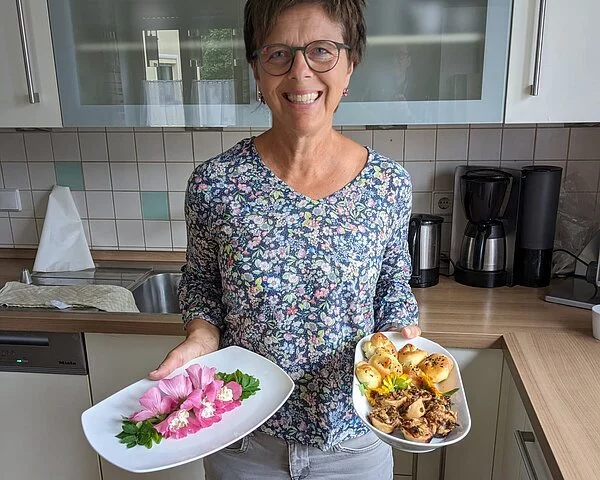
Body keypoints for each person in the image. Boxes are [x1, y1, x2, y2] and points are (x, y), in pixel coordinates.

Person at [150, 1, 420, 478]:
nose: (300, 72)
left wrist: (402, 335)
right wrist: (200, 336)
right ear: (256, 69)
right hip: (240, 438)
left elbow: (392, 285)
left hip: (354, 442)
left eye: (322, 51)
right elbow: (202, 286)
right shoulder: (215, 184)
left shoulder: (388, 185)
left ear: (350, 64)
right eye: (278, 53)